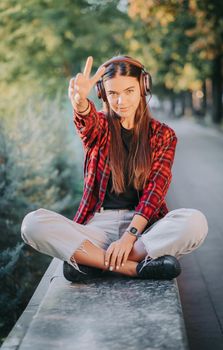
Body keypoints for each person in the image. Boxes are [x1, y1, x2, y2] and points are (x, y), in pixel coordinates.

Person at [21, 55, 208, 282]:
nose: (121, 101)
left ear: (143, 87)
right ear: (103, 95)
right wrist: (80, 103)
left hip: (143, 231)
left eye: (129, 91)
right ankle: (132, 268)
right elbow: (86, 123)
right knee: (32, 223)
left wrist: (129, 237)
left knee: (195, 222)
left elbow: (154, 193)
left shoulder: (163, 135)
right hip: (98, 227)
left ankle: (93, 262)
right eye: (113, 94)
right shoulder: (100, 128)